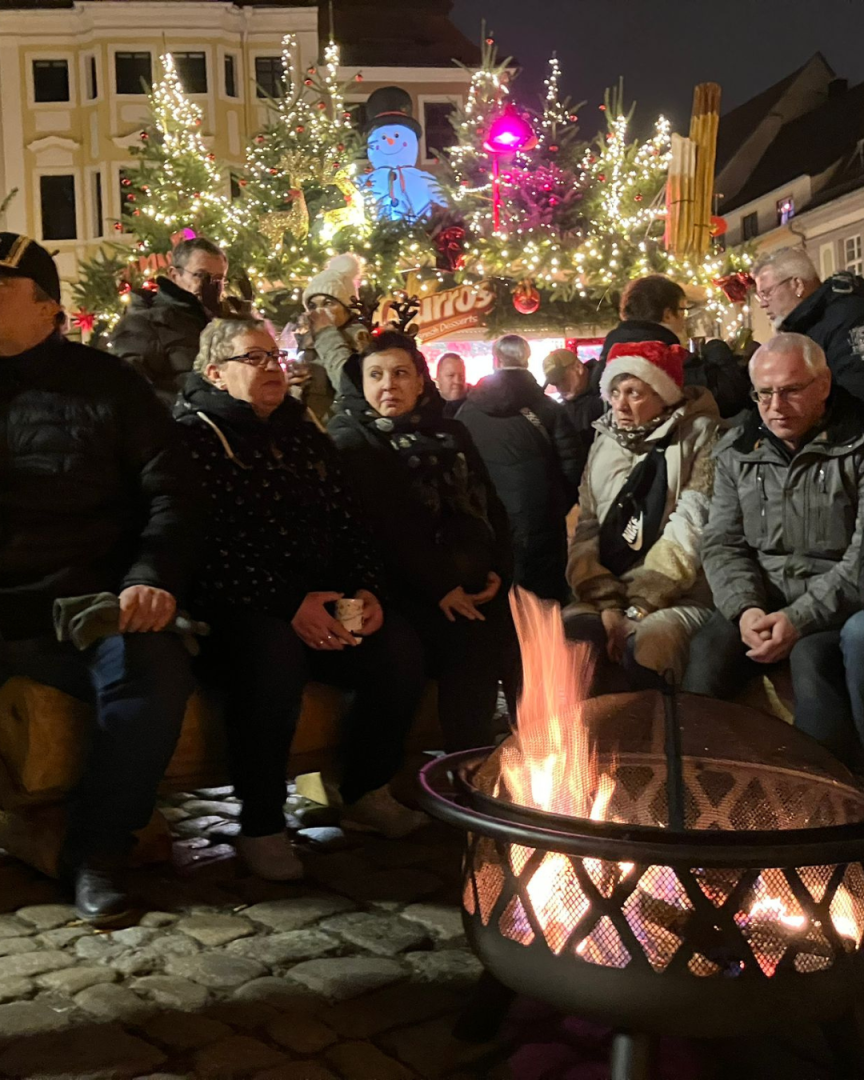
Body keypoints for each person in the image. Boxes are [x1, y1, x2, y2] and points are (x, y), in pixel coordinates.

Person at [175, 318, 427, 879]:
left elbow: (348, 522)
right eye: (254, 358)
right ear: (215, 373)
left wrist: (366, 588)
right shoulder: (194, 440)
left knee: (397, 647)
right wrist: (290, 604)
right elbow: (206, 550)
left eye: (275, 356)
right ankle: (262, 822)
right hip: (236, 611)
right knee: (272, 658)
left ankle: (365, 790)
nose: (272, 367)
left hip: (319, 600)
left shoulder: (303, 433)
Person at [0, 233, 197, 922]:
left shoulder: (111, 386)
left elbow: (171, 492)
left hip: (88, 602)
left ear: (47, 308)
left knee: (153, 672)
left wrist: (150, 576)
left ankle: (98, 852)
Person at [682, 333, 864, 768]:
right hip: (762, 597)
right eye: (764, 393)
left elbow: (861, 561)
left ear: (824, 384)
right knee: (707, 655)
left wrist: (798, 619)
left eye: (791, 390)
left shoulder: (856, 444)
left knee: (812, 660)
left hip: (837, 603)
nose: (775, 406)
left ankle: (826, 786)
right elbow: (722, 542)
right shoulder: (738, 449)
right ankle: (694, 779)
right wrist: (745, 608)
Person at [328, 331, 515, 752]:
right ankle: (455, 764)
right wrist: (441, 586)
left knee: (520, 638)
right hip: (389, 590)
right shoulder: (351, 438)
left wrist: (498, 570)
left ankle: (512, 761)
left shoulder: (452, 432)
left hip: (467, 582)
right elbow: (387, 524)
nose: (388, 385)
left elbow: (490, 504)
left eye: (399, 374)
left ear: (419, 381)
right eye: (375, 375)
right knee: (461, 645)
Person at [566, 340, 720, 689]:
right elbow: (587, 525)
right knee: (574, 643)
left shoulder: (700, 436)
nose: (620, 404)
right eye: (615, 392)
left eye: (634, 393)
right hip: (607, 590)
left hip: (676, 592)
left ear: (662, 394)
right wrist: (605, 602)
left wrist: (640, 606)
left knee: (648, 648)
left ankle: (656, 724)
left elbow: (692, 526)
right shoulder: (604, 440)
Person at [456, 334, 584, 602]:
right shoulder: (548, 409)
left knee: (497, 601)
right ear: (527, 360)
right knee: (544, 605)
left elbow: (457, 471)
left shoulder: (467, 412)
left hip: (487, 529)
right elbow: (573, 466)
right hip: (542, 526)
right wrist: (553, 506)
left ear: (496, 360)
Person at [109, 236, 244, 407]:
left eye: (218, 279)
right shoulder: (145, 323)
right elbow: (128, 391)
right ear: (174, 275)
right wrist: (187, 409)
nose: (211, 285)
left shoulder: (225, 323)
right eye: (201, 275)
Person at [596, 274, 751, 419]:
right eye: (682, 310)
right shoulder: (665, 356)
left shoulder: (609, 355)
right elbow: (729, 398)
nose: (684, 319)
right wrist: (717, 348)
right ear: (668, 314)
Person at [752, 247, 864, 402]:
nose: (763, 304)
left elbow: (856, 389)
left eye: (766, 293)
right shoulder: (804, 325)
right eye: (759, 297)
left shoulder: (847, 315)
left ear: (797, 285)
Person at [294, 253, 371, 421]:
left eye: (328, 303)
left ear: (347, 308)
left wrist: (326, 334)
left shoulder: (360, 340)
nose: (319, 311)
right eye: (313, 306)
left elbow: (348, 386)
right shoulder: (309, 343)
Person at [543, 347, 604, 455]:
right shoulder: (564, 409)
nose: (560, 387)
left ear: (578, 367)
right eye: (555, 383)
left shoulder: (609, 394)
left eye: (563, 379)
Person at [436, 352, 469, 417]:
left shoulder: (479, 404)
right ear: (438, 378)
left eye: (461, 376)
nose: (457, 381)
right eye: (451, 375)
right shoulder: (427, 408)